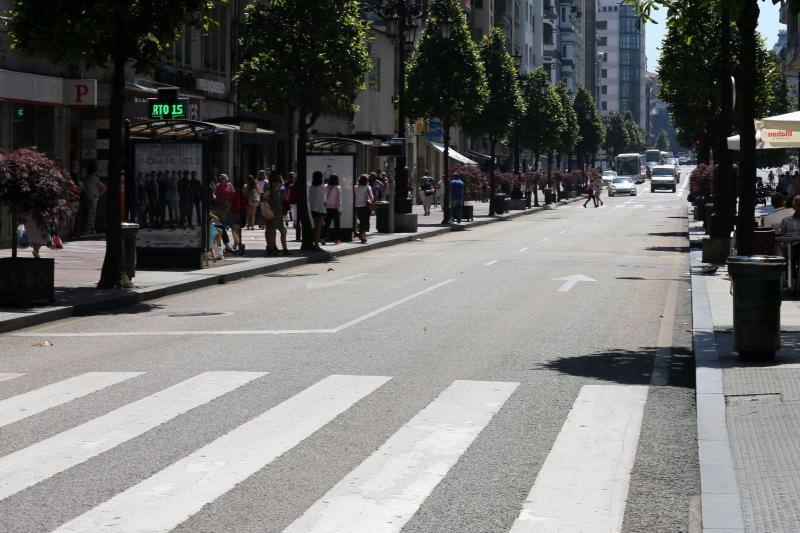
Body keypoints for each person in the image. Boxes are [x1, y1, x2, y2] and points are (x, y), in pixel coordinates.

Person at [80, 163, 106, 235]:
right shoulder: (95, 179)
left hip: (85, 198)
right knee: (91, 214)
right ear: (94, 171)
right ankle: (90, 229)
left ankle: (89, 229)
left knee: (87, 214)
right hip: (93, 198)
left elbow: (82, 188)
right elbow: (103, 188)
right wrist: (98, 194)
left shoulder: (84, 178)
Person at [309, 171, 327, 251]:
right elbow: (324, 201)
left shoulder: (311, 187)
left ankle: (315, 243)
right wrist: (326, 209)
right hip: (320, 210)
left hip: (313, 209)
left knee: (316, 227)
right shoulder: (321, 188)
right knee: (318, 228)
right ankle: (316, 244)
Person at [354, 174, 374, 244]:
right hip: (365, 206)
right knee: (365, 222)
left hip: (357, 206)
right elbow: (372, 197)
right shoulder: (367, 187)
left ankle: (362, 236)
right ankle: (362, 236)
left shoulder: (356, 187)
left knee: (361, 221)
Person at [324, 174, 342, 245]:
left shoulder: (325, 186)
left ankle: (323, 238)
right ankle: (337, 239)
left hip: (326, 208)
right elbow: (339, 200)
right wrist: (339, 209)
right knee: (336, 225)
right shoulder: (338, 187)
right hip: (335, 209)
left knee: (326, 224)